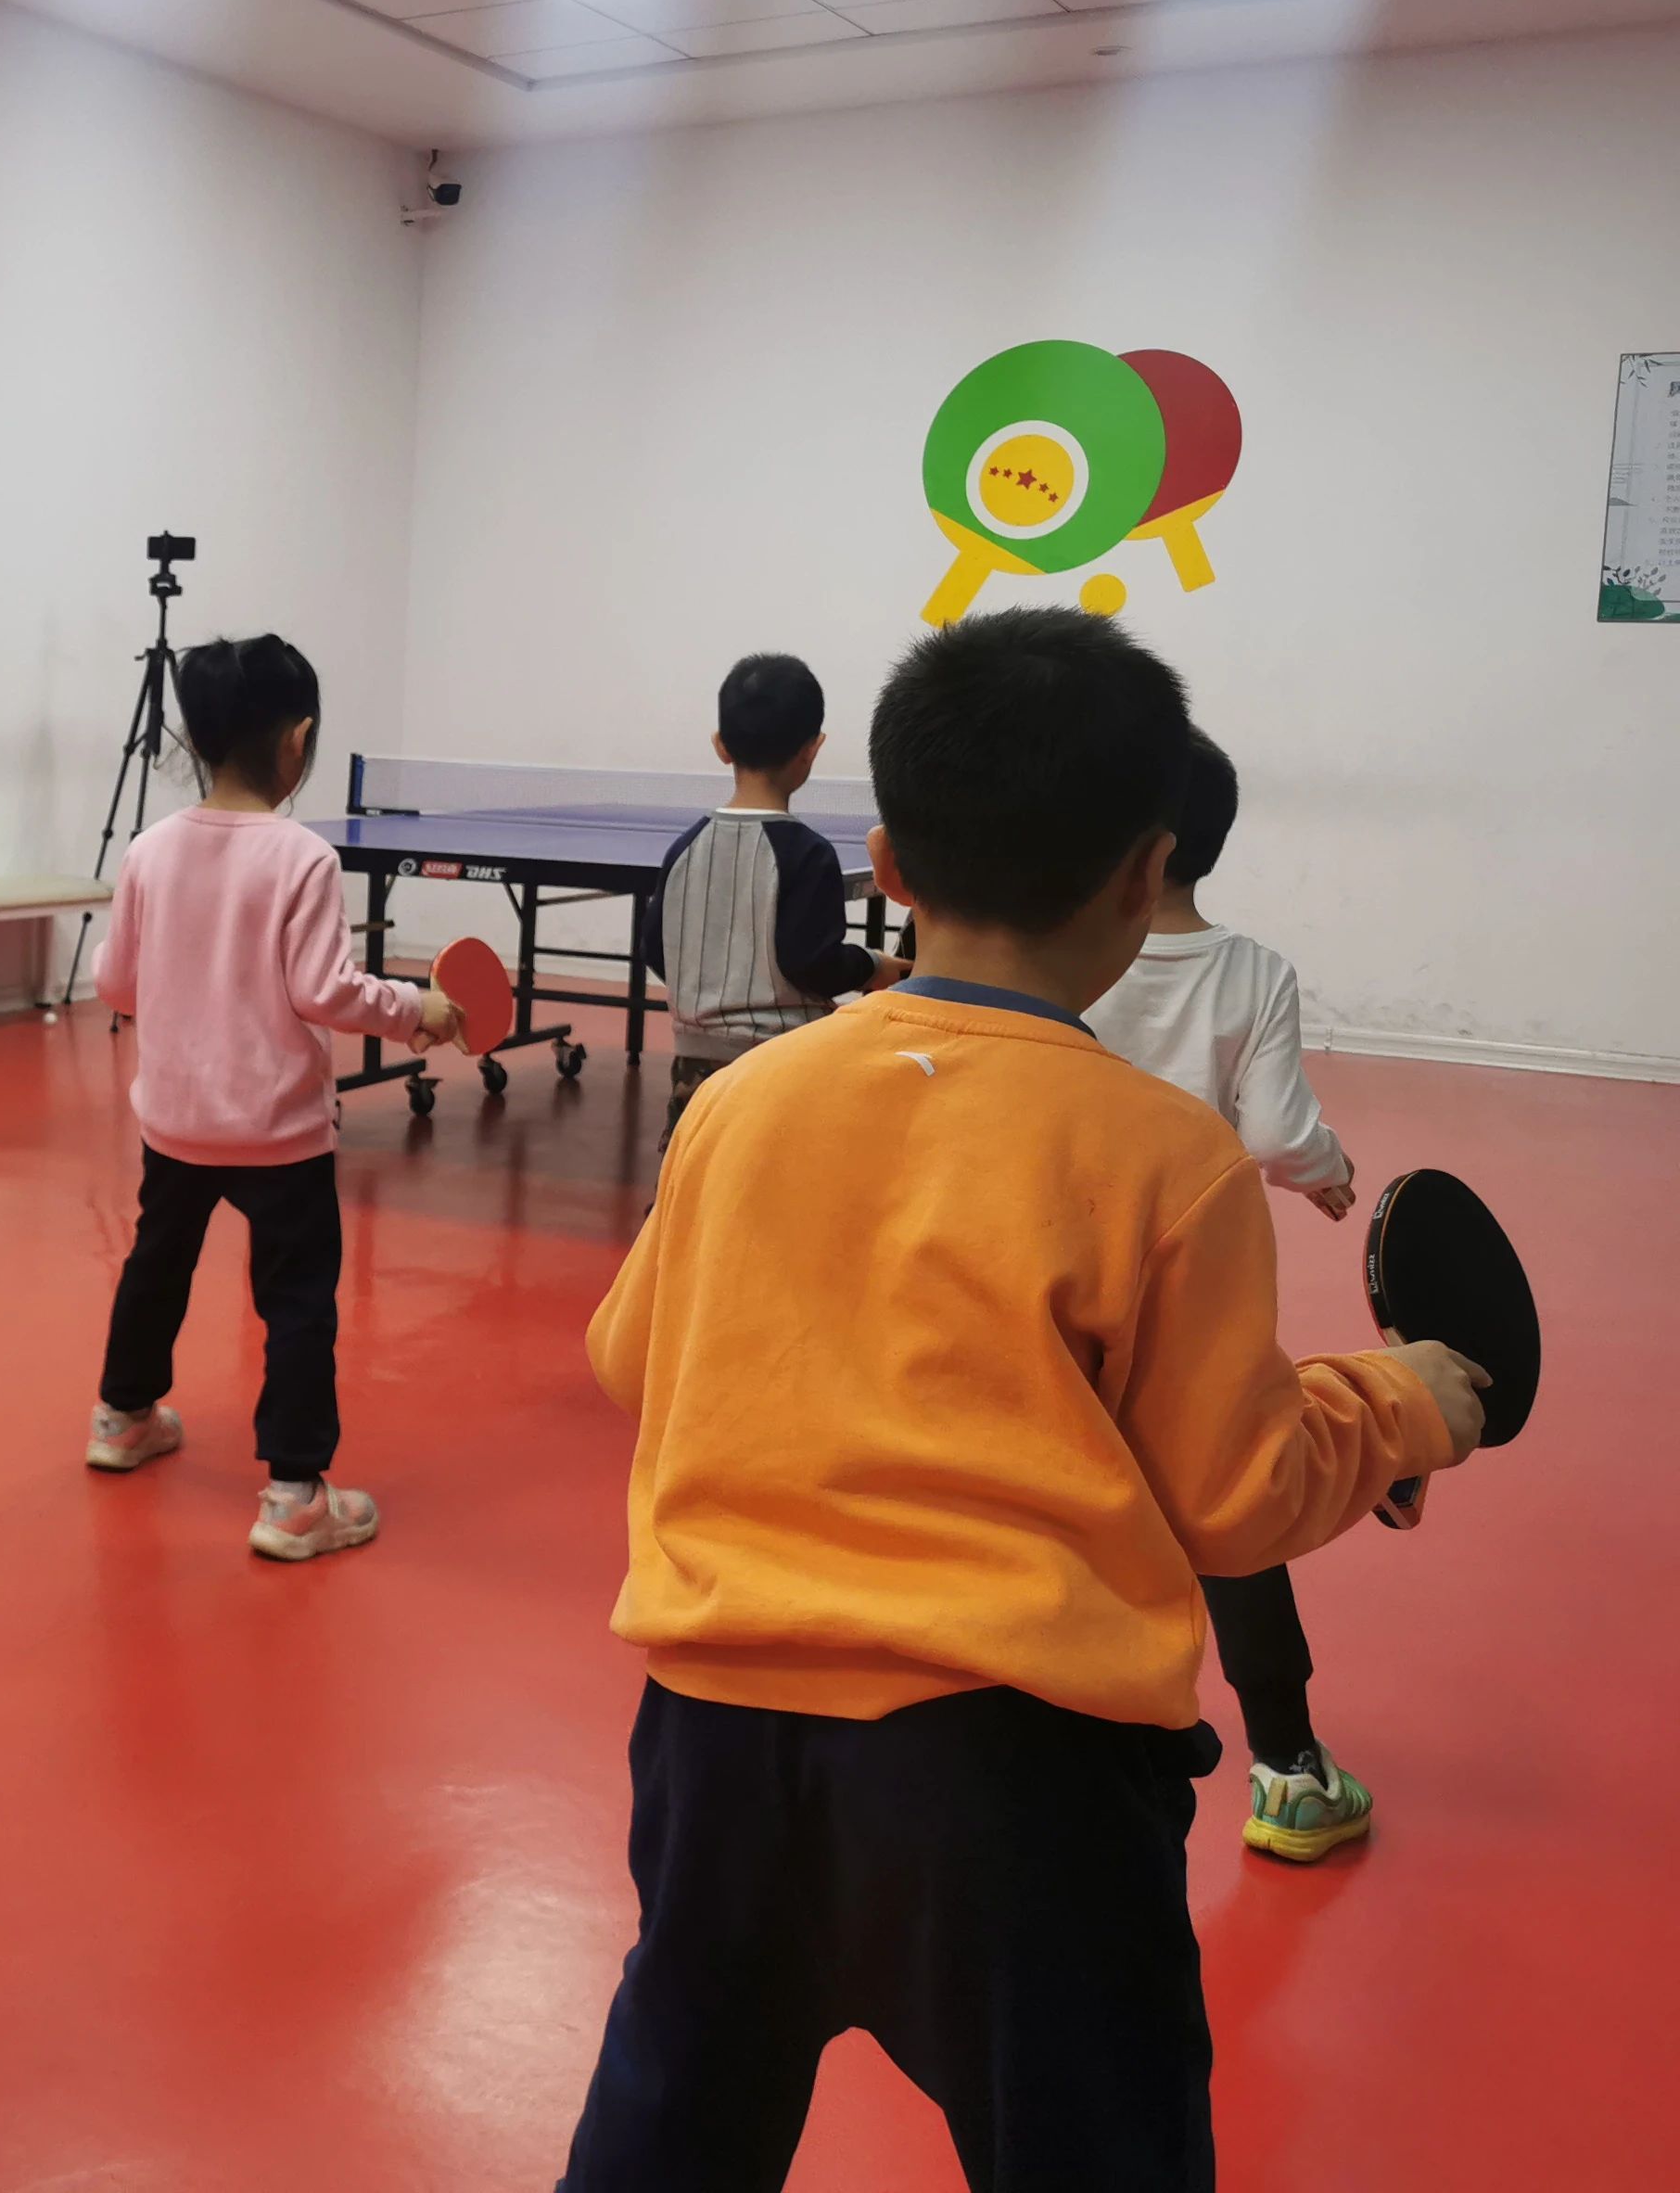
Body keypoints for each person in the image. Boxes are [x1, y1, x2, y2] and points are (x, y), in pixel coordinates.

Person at [558, 607, 1488, 2193]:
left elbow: (628, 1360)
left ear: (884, 866)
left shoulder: (744, 1104)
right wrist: (1404, 1405)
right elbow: (1238, 1496)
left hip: (715, 1739)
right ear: (1147, 872)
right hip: (1013, 1780)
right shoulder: (1169, 1159)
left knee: (673, 2124)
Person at [81, 635, 455, 1562]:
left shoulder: (150, 850)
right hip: (278, 1133)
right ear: (300, 740)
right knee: (296, 1303)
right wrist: (416, 1009)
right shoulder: (303, 857)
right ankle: (293, 1499)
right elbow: (325, 991)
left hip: (175, 1123)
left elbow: (115, 984)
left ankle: (123, 1418)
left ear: (195, 739)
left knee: (156, 1264)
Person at [1088, 732, 1370, 1864]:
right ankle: (1290, 1772)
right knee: (1232, 1508)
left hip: (1068, 1272)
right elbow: (1278, 1133)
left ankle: (1054, 1745)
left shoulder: (1077, 958)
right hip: (1197, 1286)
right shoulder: (1253, 972)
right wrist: (1326, 1168)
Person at [643, 652, 906, 1134]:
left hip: (693, 1072)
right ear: (812, 749)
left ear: (721, 746)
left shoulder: (684, 848)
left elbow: (657, 950)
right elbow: (811, 963)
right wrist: (872, 966)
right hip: (783, 1067)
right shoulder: (808, 854)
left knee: (697, 1170)